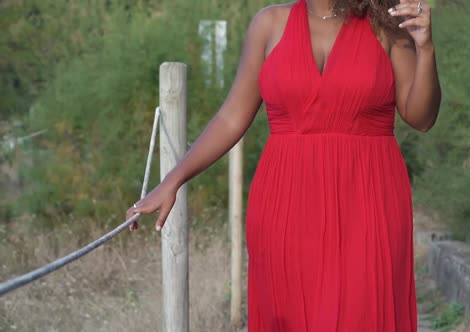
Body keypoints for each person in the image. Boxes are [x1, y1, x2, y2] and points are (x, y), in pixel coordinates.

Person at [126, 0, 440, 330]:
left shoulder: (385, 23)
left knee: (363, 315)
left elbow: (422, 117)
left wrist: (426, 49)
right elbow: (231, 117)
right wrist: (172, 181)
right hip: (286, 206)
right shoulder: (269, 24)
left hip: (368, 201)